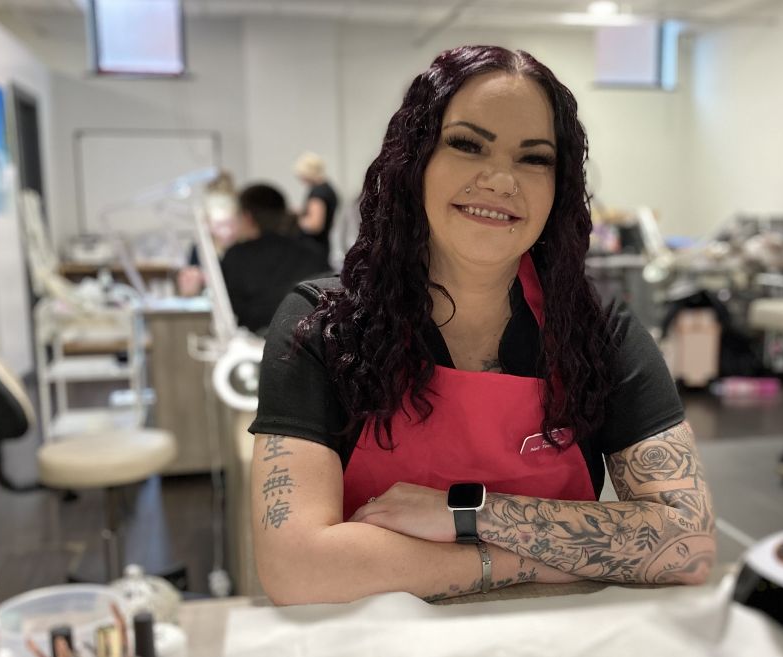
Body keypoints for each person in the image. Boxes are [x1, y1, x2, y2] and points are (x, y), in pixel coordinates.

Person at [249, 46, 715, 606]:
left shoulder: (596, 333)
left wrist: (466, 515)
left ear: (558, 187)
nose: (499, 180)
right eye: (467, 145)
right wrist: (520, 558)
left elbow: (687, 543)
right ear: (414, 161)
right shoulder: (323, 325)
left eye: (534, 158)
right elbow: (296, 568)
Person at [220, 183, 331, 334]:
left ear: (247, 217)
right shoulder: (313, 253)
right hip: (306, 344)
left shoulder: (235, 256)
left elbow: (231, 308)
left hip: (255, 345)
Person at [293, 151, 339, 255]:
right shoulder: (328, 188)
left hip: (313, 248)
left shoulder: (318, 193)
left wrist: (295, 219)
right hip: (321, 246)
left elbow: (315, 225)